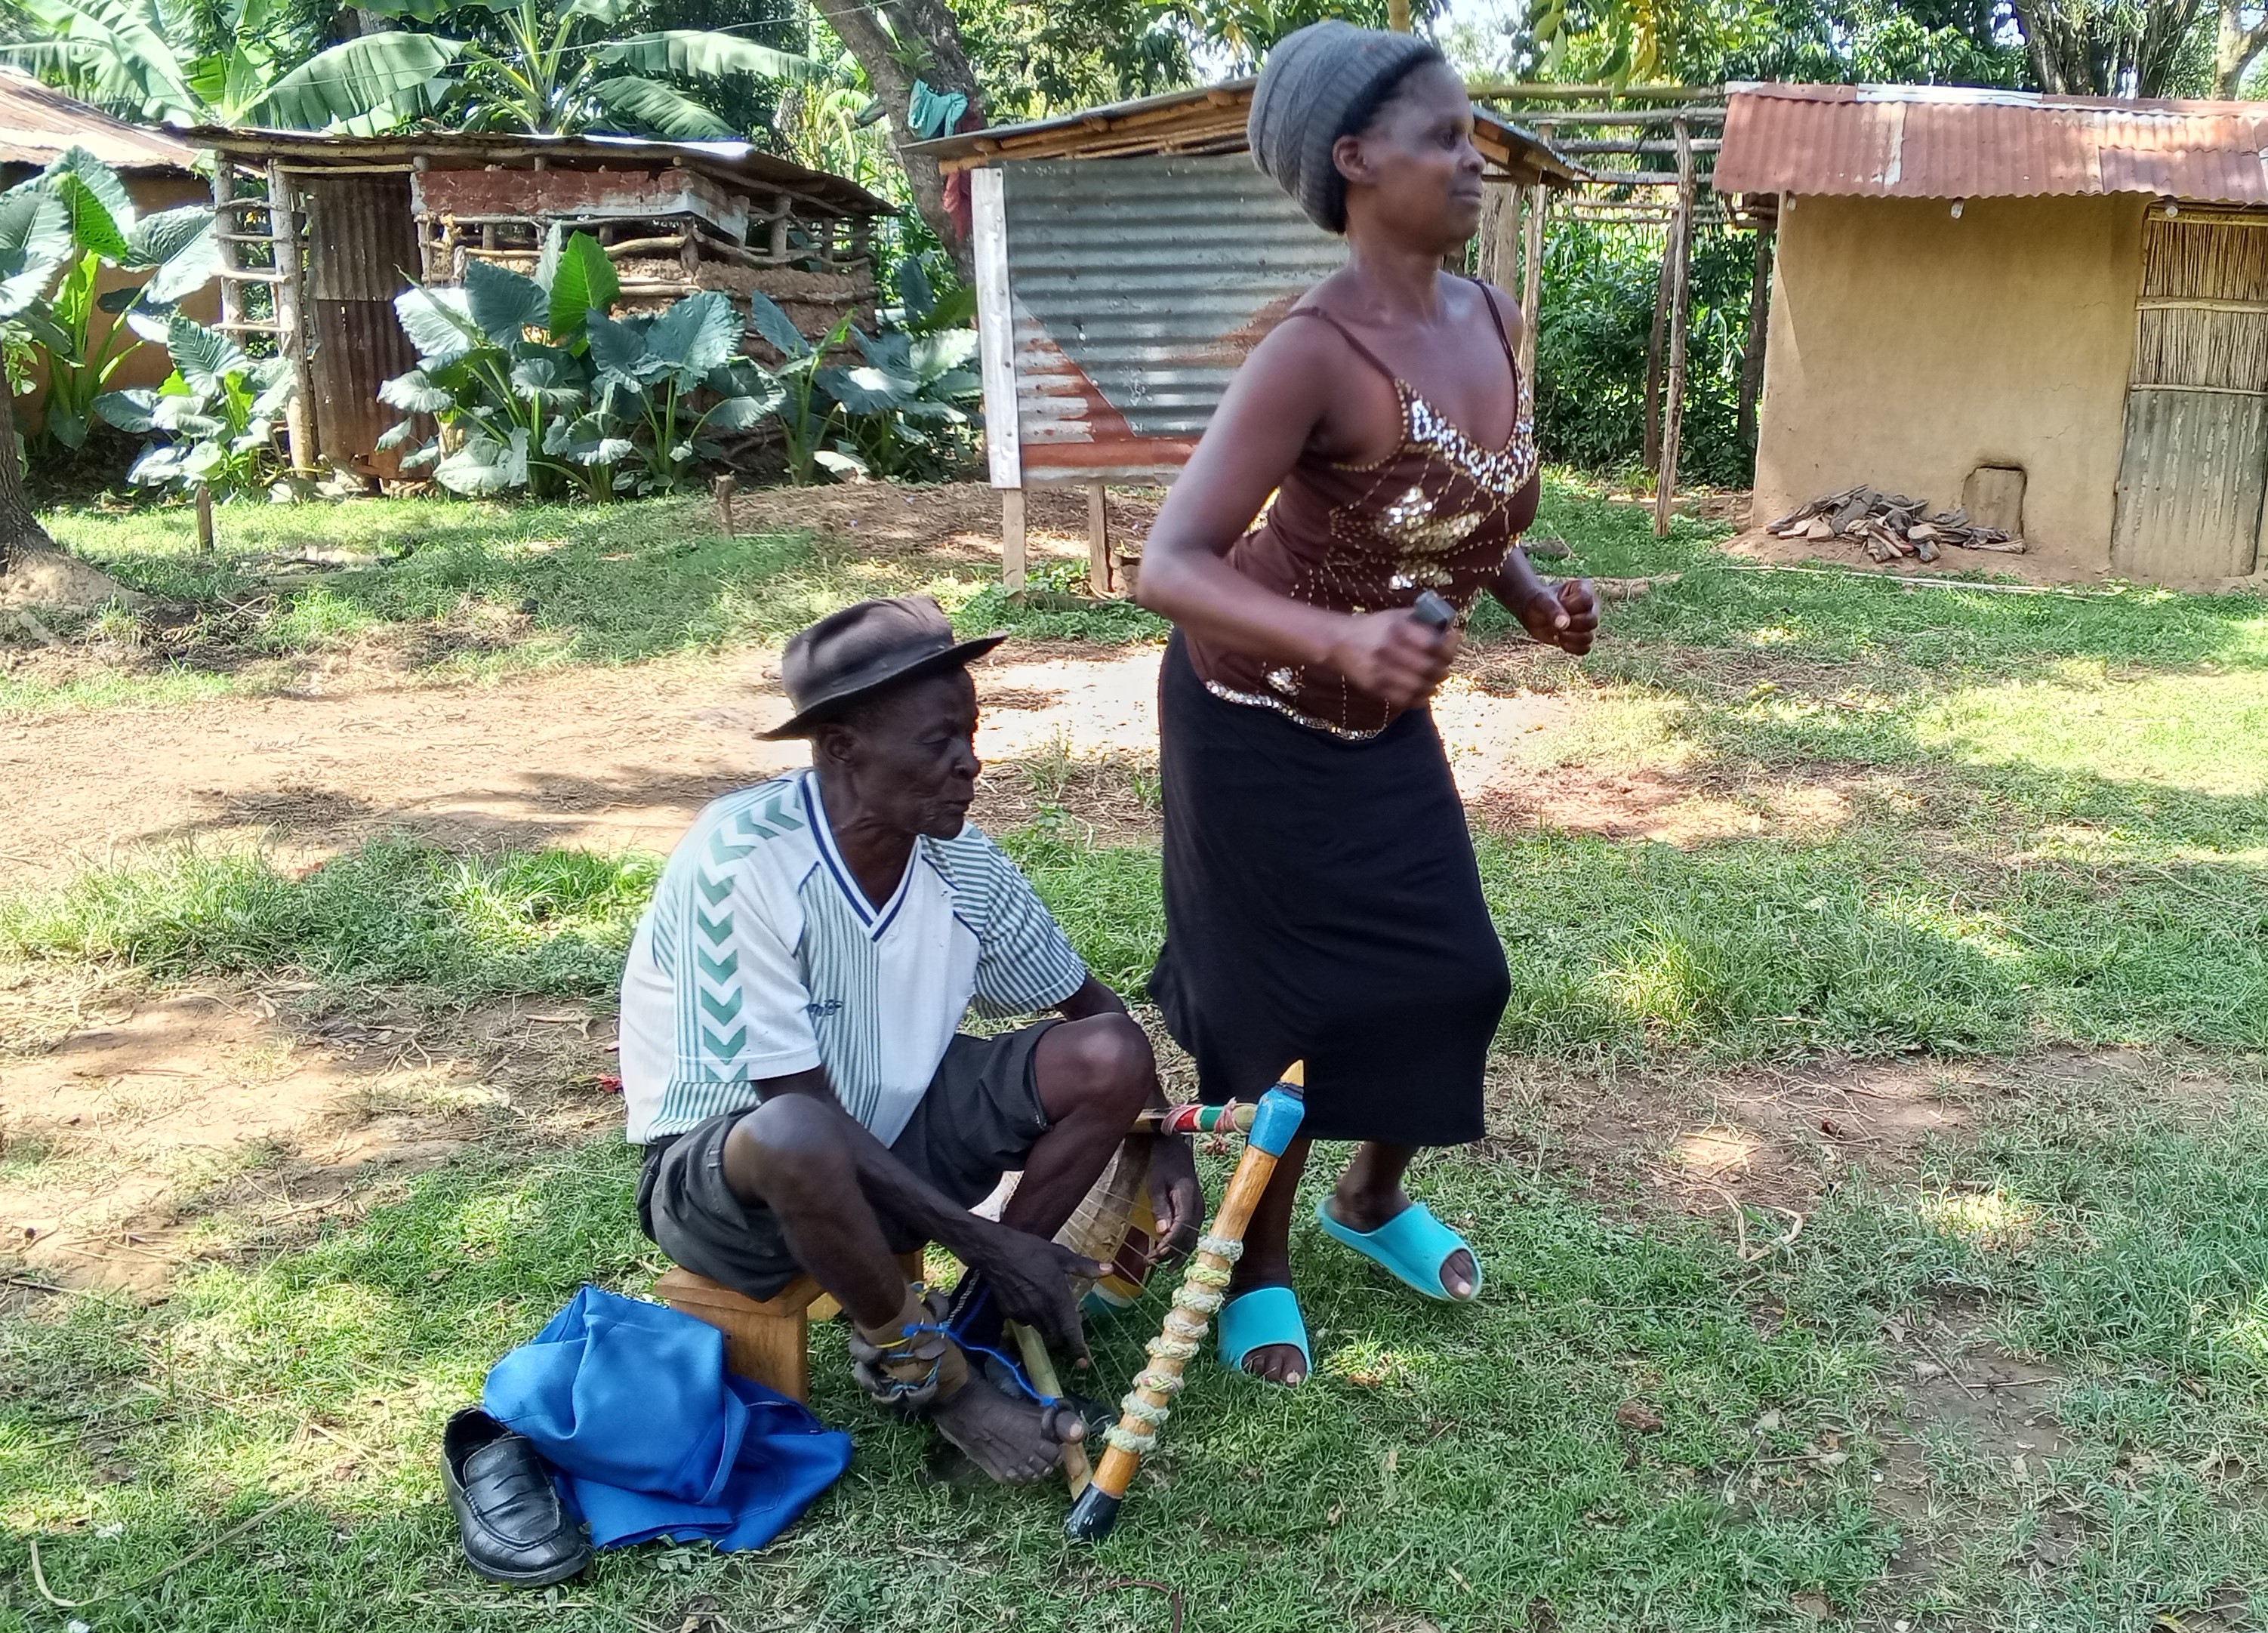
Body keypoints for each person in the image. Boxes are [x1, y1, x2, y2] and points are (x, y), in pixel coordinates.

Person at [1134, 23, 1601, 1387]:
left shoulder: (1489, 316)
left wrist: (1526, 599)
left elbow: (1457, 490)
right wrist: (1337, 642)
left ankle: (1368, 1199)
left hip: (1377, 721)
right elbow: (1168, 564)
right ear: (1354, 159)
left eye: (1471, 134)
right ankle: (1255, 1267)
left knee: (1456, 970)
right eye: (1441, 137)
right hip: (1247, 721)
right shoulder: (1310, 351)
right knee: (1269, 1022)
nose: (1472, 161)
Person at [618, 595, 1203, 1480]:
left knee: (1112, 1053)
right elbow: (798, 1113)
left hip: (892, 1146)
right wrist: (990, 1237)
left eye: (970, 732)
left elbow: (1093, 1012)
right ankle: (937, 1380)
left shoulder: (957, 860)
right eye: (938, 743)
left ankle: (977, 1324)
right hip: (736, 1195)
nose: (970, 764)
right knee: (797, 1132)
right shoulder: (742, 859)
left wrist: (1164, 1143)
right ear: (843, 746)